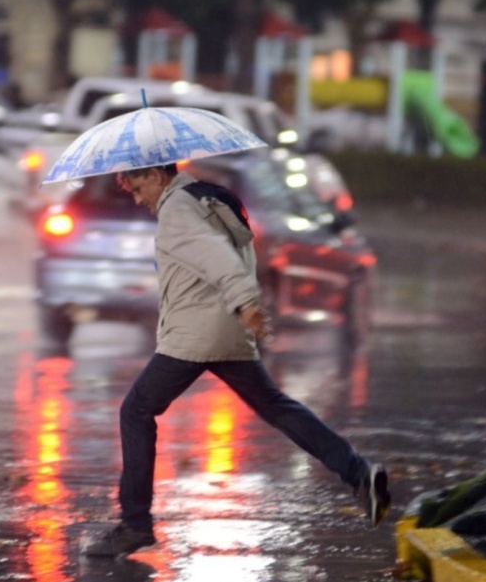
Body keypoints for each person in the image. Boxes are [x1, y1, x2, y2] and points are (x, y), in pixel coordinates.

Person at [83, 162, 391, 558]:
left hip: (196, 333)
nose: (138, 199)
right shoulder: (209, 198)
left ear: (157, 175)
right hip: (225, 329)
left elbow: (218, 259)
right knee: (276, 406)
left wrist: (246, 301)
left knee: (136, 411)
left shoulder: (178, 207)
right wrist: (241, 308)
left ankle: (135, 525)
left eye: (138, 187)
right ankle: (359, 472)